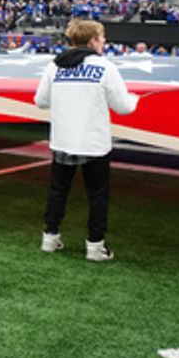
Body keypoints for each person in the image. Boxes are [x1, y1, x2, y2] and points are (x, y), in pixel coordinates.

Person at [33, 19, 139, 261]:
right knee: (97, 195)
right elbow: (123, 107)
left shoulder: (54, 66)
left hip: (62, 140)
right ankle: (95, 246)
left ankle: (49, 238)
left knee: (57, 191)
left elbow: (40, 101)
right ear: (92, 41)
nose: (104, 43)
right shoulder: (105, 67)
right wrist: (134, 98)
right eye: (102, 38)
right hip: (94, 143)